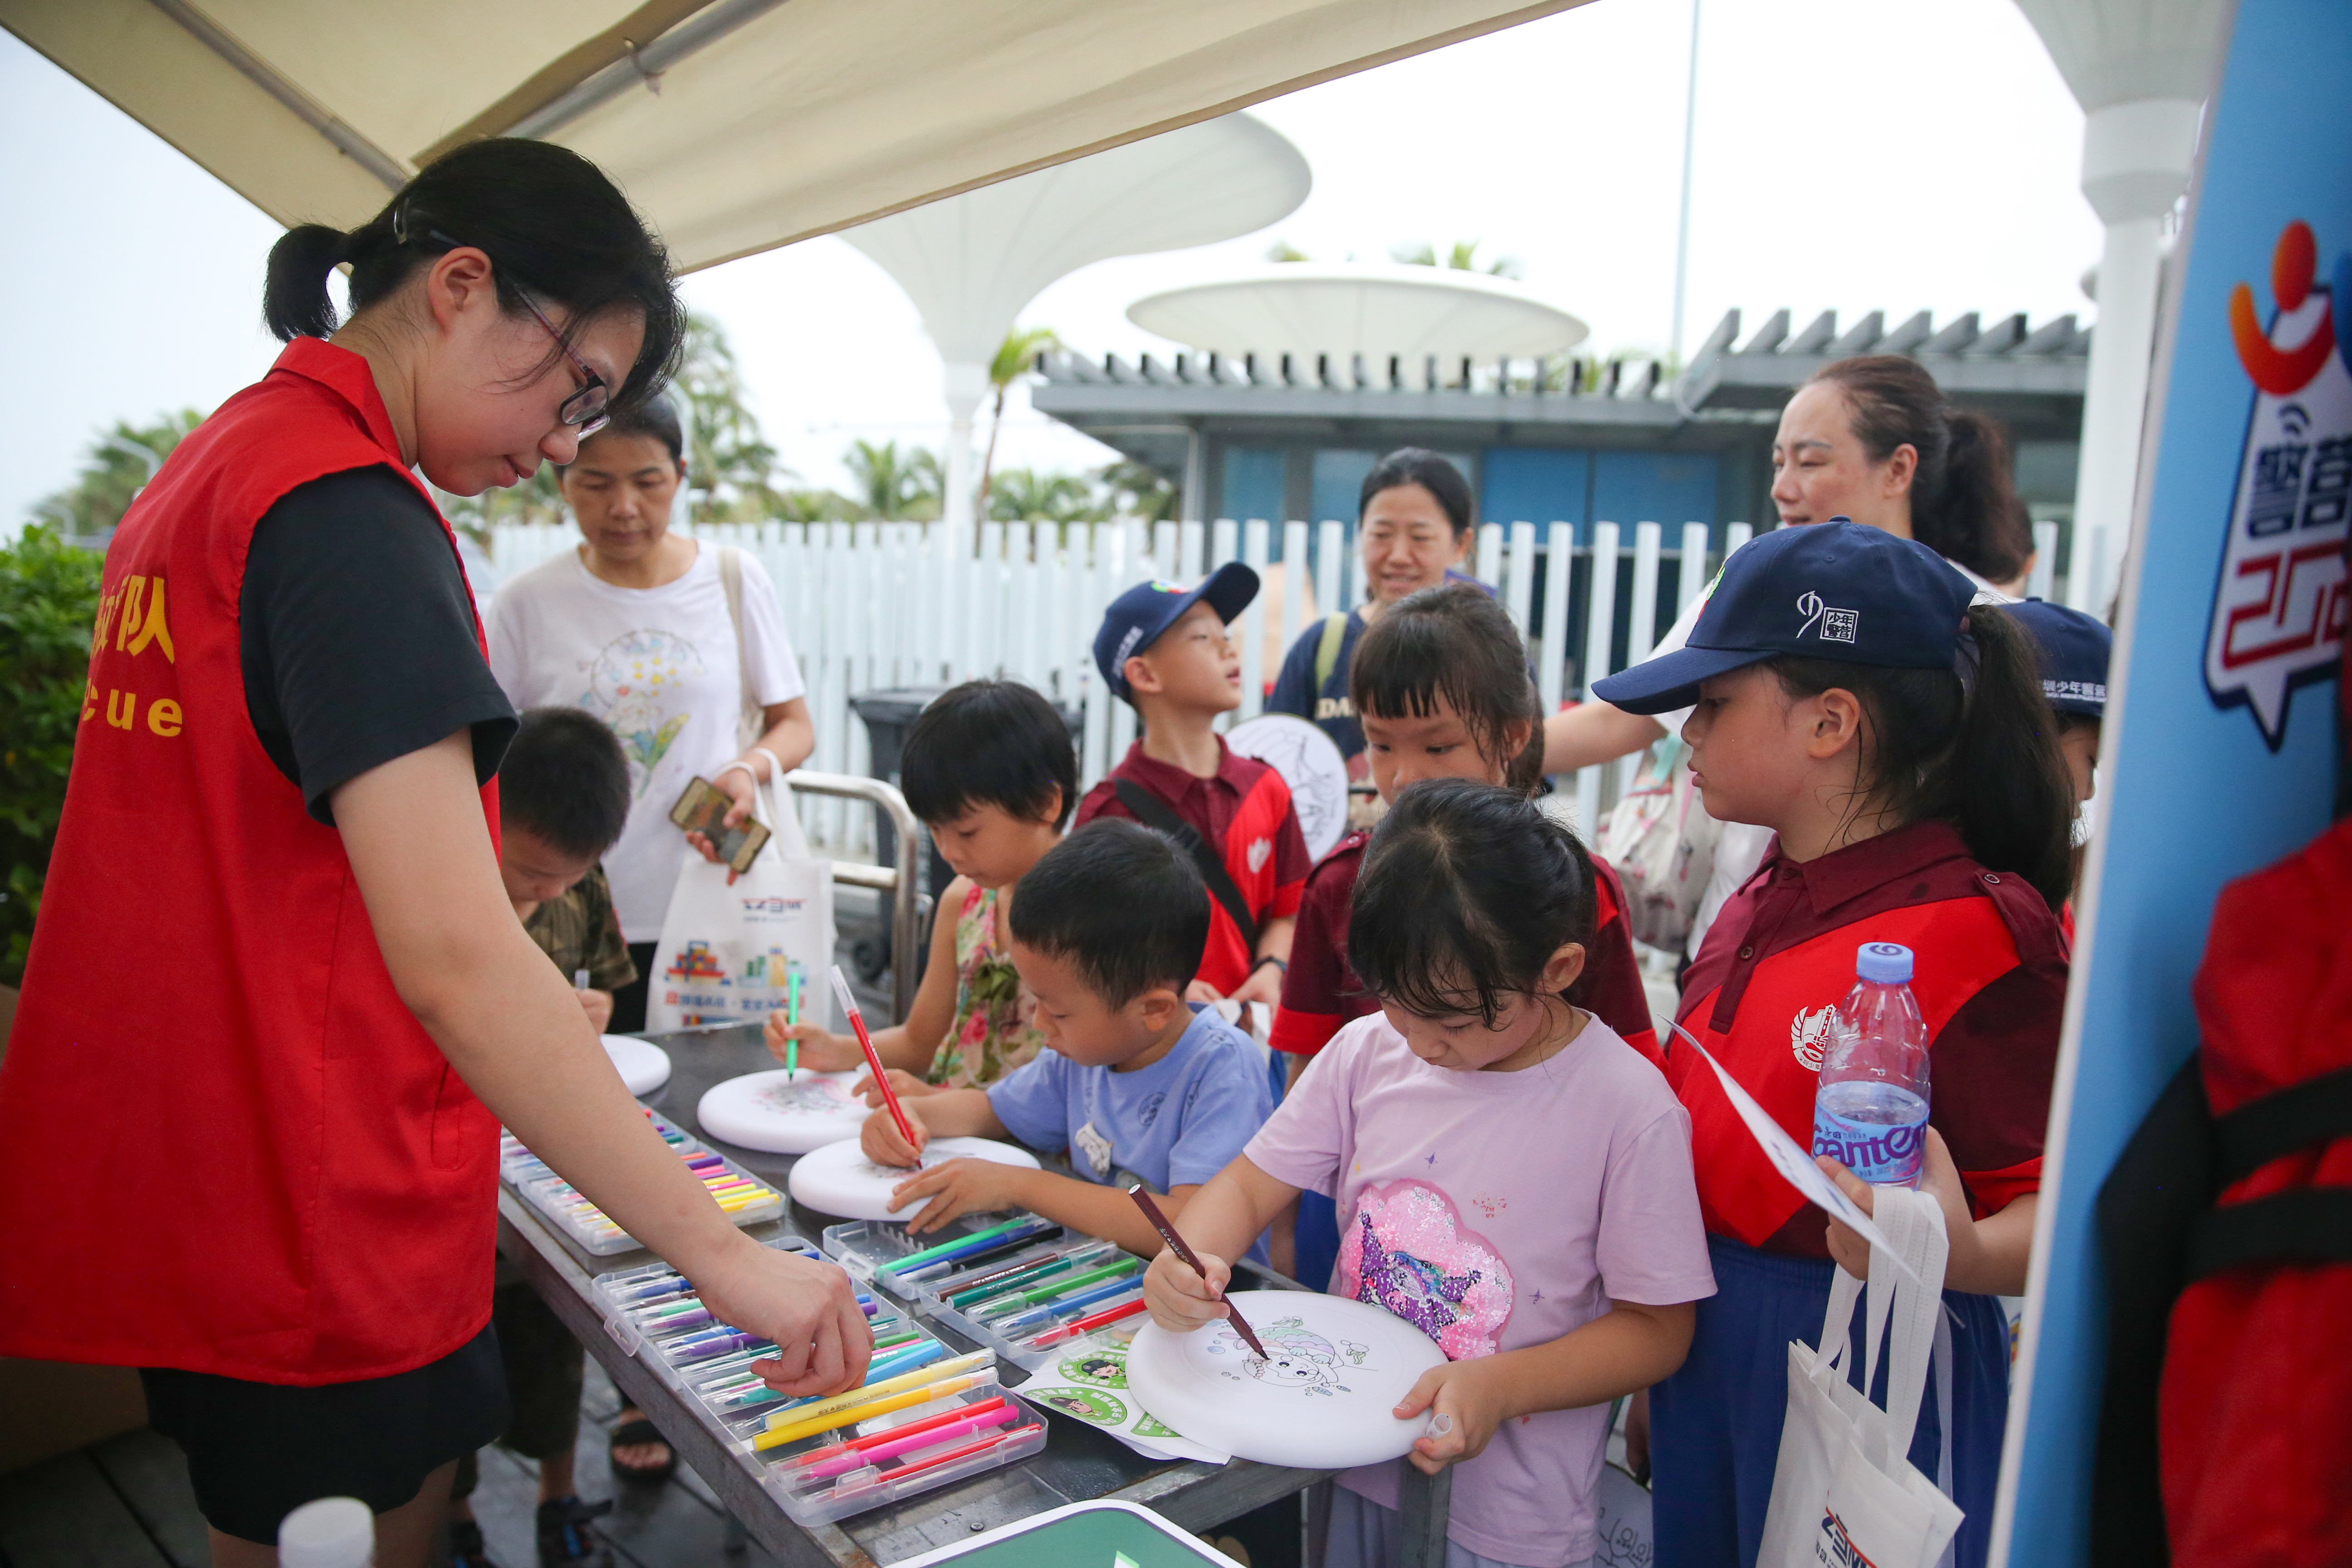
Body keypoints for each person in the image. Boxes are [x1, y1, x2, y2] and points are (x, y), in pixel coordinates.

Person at [0, 139, 868, 1566]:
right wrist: (718, 1252)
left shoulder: (214, 468)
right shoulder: (348, 520)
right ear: (464, 287)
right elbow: (463, 954)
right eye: (576, 387)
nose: (569, 446)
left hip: (217, 1176)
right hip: (312, 1203)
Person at [1589, 522, 2072, 1568]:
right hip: (1704, 1342)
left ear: (1830, 722)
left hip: (1869, 1361)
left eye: (1712, 702)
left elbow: (2056, 1208)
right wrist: (1659, 1362)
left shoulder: (1980, 933)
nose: (1687, 730)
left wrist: (1965, 1248)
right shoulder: (1758, 890)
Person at [1144, 780, 1715, 1568]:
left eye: (1448, 1018)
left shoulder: (1626, 1108)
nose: (1418, 1041)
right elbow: (1246, 1185)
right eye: (1394, 1004)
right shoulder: (1364, 1052)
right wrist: (1189, 1258)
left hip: (1508, 1521)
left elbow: (1656, 1330)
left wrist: (1500, 1387)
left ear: (1555, 969)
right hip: (1350, 1466)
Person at [1542, 355, 2042, 965]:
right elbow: (1623, 719)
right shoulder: (1759, 583)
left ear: (1899, 469)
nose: (1782, 487)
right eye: (1779, 462)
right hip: (1731, 952)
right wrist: (1467, 752)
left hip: (1882, 970)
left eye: (1810, 461)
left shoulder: (1984, 624)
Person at [1270, 584, 1665, 1293]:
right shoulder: (1338, 884)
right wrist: (1288, 1229)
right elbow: (1306, 1074)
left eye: (1439, 744)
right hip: (1371, 1221)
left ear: (1514, 736)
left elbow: (1634, 1075)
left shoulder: (1578, 892)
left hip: (1536, 1234)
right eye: (1380, 744)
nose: (1404, 775)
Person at [485, 394, 814, 1033]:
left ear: (681, 476)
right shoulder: (526, 604)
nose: (624, 507)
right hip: (568, 916)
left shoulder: (732, 579)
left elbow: (795, 725)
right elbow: (484, 756)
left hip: (707, 895)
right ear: (561, 480)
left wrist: (749, 770)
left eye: (648, 482)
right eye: (597, 483)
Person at [856, 819, 1274, 1259]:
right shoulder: (1085, 1052)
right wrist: (910, 1116)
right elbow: (993, 1110)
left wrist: (1017, 1185)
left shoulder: (1222, 1069)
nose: (1039, 1023)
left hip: (1214, 1312)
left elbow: (1188, 1230)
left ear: (1152, 1010)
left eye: (1056, 1011)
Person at [450, 708, 634, 1568]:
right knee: (449, 1357)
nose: (546, 895)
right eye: (529, 875)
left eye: (568, 881)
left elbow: (606, 994)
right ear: (485, 811)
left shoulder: (575, 889)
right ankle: (450, 1515)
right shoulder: (437, 885)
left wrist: (588, 1013)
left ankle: (558, 1495)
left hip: (543, 1163)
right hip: (451, 1172)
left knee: (551, 1336)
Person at [769, 679, 1069, 1093]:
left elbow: (1084, 1086)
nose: (948, 852)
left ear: (1044, 804)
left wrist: (945, 1107)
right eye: (935, 831)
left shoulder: (1088, 910)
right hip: (947, 1136)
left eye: (967, 832)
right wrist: (835, 1050)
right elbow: (919, 1042)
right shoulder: (964, 901)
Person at [1076, 565, 1309, 1009]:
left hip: (1252, 1047)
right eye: (1202, 637)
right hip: (1150, 1057)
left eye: (1226, 633)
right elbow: (1088, 952)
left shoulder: (1267, 787)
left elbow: (1289, 912)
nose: (1228, 646)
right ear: (1145, 675)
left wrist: (1271, 969)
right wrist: (1163, 990)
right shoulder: (1108, 815)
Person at [1267, 448, 1480, 769]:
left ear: (1461, 544)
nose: (1397, 555)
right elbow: (1271, 765)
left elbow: (1525, 775)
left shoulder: (1486, 649)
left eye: (1420, 537)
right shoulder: (1321, 646)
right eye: (1381, 535)